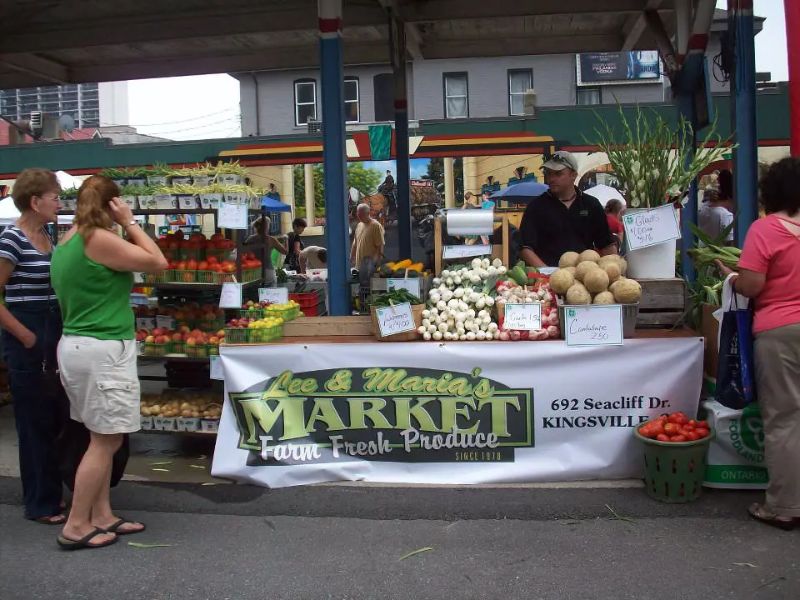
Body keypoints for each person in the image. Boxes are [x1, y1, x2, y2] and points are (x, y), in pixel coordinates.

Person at [51, 175, 167, 550]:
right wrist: (131, 222)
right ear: (112, 205)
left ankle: (101, 514)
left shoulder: (66, 241)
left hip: (76, 346)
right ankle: (76, 524)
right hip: (102, 350)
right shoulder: (98, 239)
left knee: (95, 435)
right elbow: (157, 262)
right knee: (107, 439)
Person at [716, 157, 800, 530]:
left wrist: (732, 277)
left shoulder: (766, 230)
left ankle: (784, 505)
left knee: (784, 419)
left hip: (780, 332)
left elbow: (753, 287)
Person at [0, 168, 68, 525]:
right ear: (34, 201)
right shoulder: (11, 239)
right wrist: (25, 335)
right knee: (34, 420)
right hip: (27, 329)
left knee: (55, 413)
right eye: (55, 197)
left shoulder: (47, 235)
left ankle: (52, 493)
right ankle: (40, 502)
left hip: (52, 326)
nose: (59, 202)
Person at [519, 151, 616, 267]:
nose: (551, 178)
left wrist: (614, 270)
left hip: (584, 276)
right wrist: (547, 272)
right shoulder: (536, 206)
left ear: (573, 175)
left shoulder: (591, 204)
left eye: (558, 174)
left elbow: (606, 245)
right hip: (547, 279)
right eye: (549, 173)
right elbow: (525, 248)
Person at [244, 215, 287, 287]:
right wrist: (286, 240)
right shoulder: (271, 240)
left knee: (255, 296)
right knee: (270, 296)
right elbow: (285, 251)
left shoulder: (250, 239)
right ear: (267, 226)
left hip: (253, 273)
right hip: (268, 272)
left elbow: (243, 253)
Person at [351, 203, 385, 287]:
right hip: (359, 265)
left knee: (368, 289)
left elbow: (380, 246)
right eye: (358, 214)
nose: (359, 217)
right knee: (361, 289)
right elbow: (355, 243)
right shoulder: (359, 225)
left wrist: (376, 263)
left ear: (368, 213)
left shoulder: (376, 226)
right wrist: (351, 256)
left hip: (370, 265)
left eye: (361, 215)